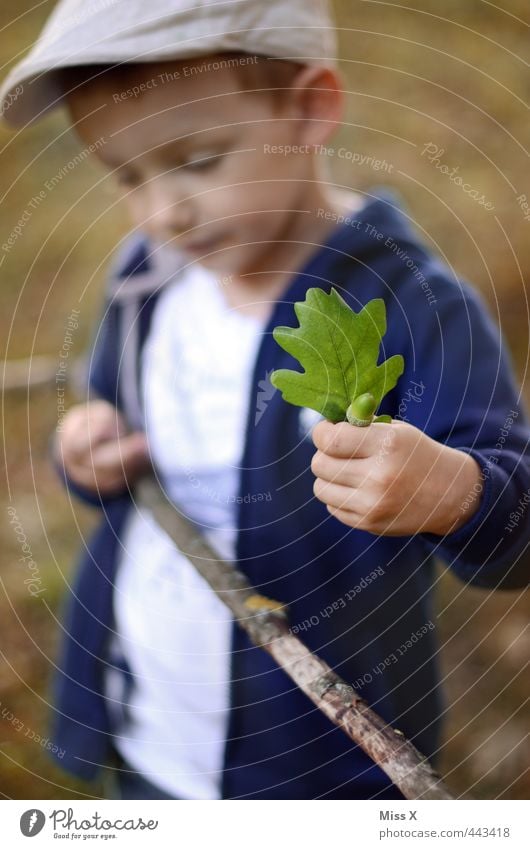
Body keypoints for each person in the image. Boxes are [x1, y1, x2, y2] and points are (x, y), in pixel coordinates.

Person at [1, 0, 529, 801]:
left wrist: (457, 493)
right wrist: (86, 452)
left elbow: (516, 526)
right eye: (127, 175)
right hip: (146, 729)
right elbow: (113, 418)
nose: (162, 212)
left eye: (198, 159)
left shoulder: (419, 306)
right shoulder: (149, 279)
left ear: (310, 108)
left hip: (313, 767)